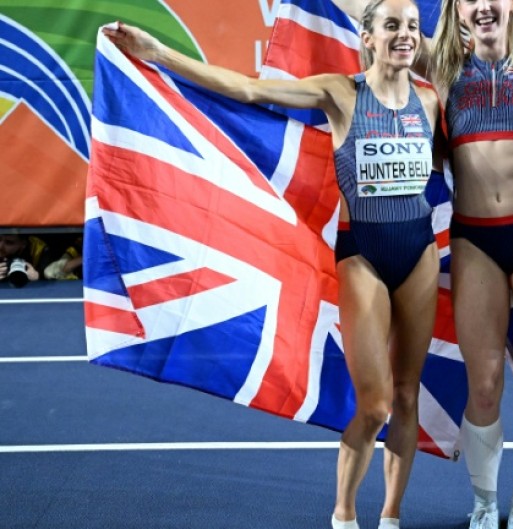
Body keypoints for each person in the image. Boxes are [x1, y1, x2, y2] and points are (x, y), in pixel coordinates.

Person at [103, 2, 442, 527]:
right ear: (369, 37)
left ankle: (392, 517)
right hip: (365, 257)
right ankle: (345, 514)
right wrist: (157, 53)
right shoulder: (340, 92)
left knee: (407, 394)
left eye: (413, 27)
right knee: (375, 405)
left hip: (419, 251)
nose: (405, 36)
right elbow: (247, 90)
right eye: (392, 26)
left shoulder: (428, 99)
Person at [331, 0, 513, 526]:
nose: (484, 5)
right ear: (457, 11)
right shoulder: (439, 64)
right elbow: (373, 12)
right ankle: (486, 503)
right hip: (475, 241)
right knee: (483, 381)